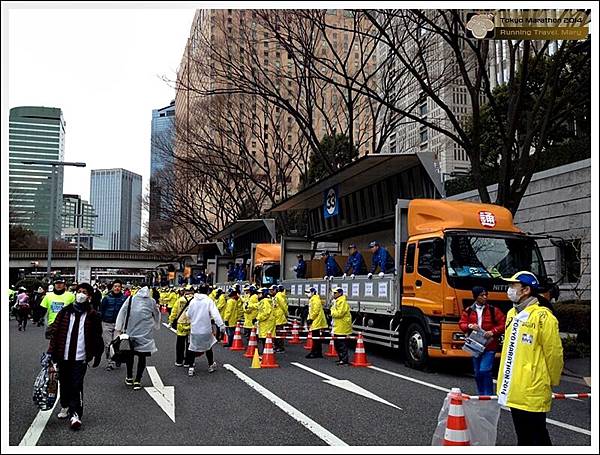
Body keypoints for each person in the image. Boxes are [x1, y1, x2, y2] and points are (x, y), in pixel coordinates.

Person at [497, 271, 563, 446]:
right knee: (524, 438)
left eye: (513, 286)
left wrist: (553, 380)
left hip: (533, 390)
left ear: (526, 290)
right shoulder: (512, 313)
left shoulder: (543, 317)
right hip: (514, 389)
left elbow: (554, 354)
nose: (509, 289)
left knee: (538, 437)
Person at [47, 282, 103, 430]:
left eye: (84, 292)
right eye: (79, 291)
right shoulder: (65, 312)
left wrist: (98, 354)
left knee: (76, 385)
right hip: (63, 355)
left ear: (89, 296)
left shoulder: (93, 315)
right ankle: (64, 406)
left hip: (80, 357)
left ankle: (75, 414)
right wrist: (50, 352)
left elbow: (97, 336)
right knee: (64, 383)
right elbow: (56, 334)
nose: (81, 294)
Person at [458, 286, 505, 396]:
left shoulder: (493, 310)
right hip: (475, 345)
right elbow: (461, 323)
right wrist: (470, 326)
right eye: (481, 295)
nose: (484, 297)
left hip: (489, 345)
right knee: (478, 372)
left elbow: (503, 324)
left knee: (485, 370)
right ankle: (481, 393)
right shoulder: (469, 310)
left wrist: (493, 332)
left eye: (486, 295)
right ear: (475, 297)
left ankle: (487, 394)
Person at [115, 284, 160, 390]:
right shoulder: (152, 301)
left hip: (131, 332)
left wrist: (119, 327)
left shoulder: (131, 299)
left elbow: (122, 312)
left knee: (130, 356)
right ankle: (138, 380)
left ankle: (129, 377)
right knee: (142, 357)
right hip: (145, 334)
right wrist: (156, 324)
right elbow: (156, 313)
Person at [186, 284, 226, 376]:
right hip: (206, 329)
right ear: (208, 291)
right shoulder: (209, 301)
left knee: (192, 348)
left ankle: (191, 367)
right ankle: (211, 365)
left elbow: (188, 314)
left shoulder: (193, 301)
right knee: (208, 347)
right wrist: (221, 325)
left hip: (195, 329)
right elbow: (215, 314)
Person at [100, 279, 128, 370]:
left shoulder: (124, 298)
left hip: (119, 324)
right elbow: (101, 310)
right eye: (115, 286)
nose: (117, 288)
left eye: (119, 286)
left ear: (121, 288)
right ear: (112, 287)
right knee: (108, 344)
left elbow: (126, 312)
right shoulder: (106, 298)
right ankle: (110, 362)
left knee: (117, 344)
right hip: (106, 323)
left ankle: (118, 358)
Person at [168, 285, 194, 367]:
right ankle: (188, 361)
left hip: (181, 323)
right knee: (190, 343)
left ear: (185, 291)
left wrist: (171, 321)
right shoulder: (196, 301)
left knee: (180, 342)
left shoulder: (180, 300)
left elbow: (174, 312)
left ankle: (179, 361)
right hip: (192, 323)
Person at [330, 287, 352, 365]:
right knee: (337, 344)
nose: (333, 294)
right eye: (333, 293)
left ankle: (344, 360)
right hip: (338, 326)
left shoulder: (342, 302)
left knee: (341, 344)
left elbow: (339, 313)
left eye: (335, 293)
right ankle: (341, 359)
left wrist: (332, 311)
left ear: (340, 293)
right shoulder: (337, 301)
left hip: (342, 326)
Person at [305, 287, 327, 359]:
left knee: (315, 337)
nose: (306, 294)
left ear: (313, 292)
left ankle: (315, 352)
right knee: (316, 337)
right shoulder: (313, 299)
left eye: (308, 292)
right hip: (315, 319)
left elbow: (315, 311)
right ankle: (317, 352)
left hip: (317, 320)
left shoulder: (315, 300)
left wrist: (311, 319)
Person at [270, 284, 287, 352]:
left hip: (279, 317)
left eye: (272, 290)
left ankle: (280, 347)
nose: (271, 292)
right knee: (276, 333)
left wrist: (286, 314)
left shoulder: (278, 296)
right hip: (276, 317)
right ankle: (277, 346)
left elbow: (284, 306)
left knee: (279, 333)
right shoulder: (275, 296)